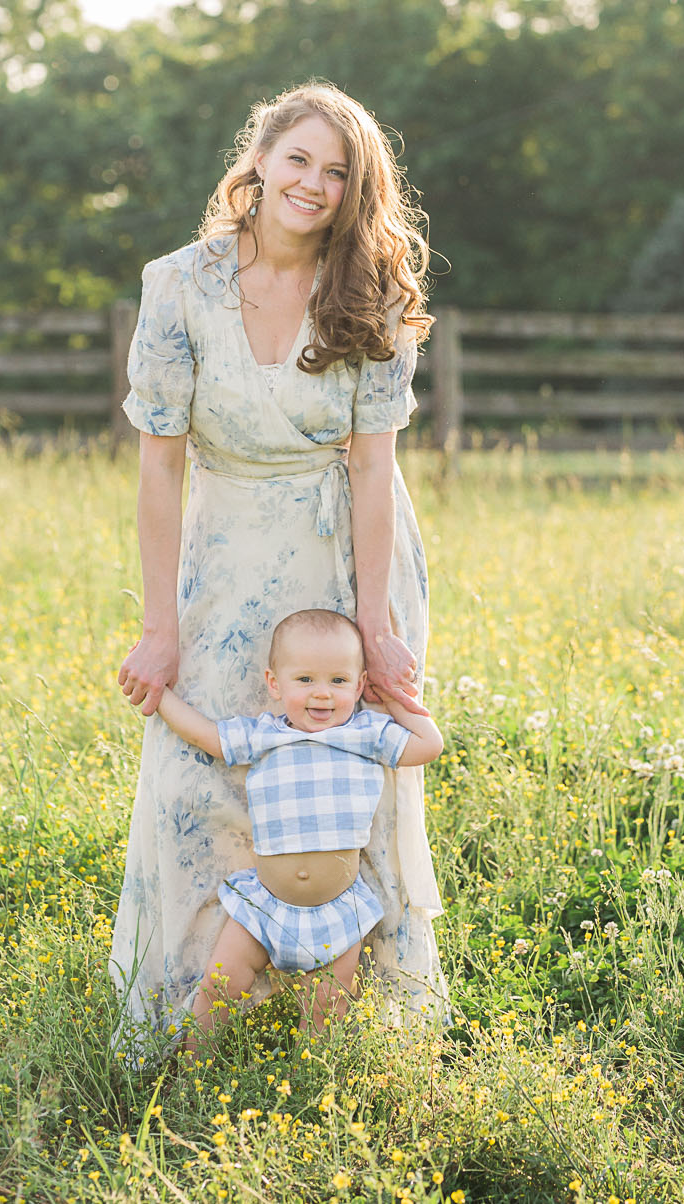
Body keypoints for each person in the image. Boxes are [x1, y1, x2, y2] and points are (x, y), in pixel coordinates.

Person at [110, 80, 447, 1055]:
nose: (313, 183)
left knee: (346, 771)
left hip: (346, 553)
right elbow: (158, 465)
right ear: (255, 158)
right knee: (200, 774)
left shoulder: (368, 290)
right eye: (296, 158)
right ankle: (197, 1013)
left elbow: (372, 465)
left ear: (354, 193)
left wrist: (375, 622)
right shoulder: (176, 284)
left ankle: (354, 1020)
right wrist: (159, 621)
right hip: (221, 559)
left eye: (336, 172)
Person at [141, 610, 443, 1051]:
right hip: (263, 906)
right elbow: (207, 735)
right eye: (305, 680)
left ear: (359, 686)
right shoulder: (264, 735)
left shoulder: (365, 733)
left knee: (328, 1010)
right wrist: (158, 695)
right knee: (218, 986)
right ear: (274, 684)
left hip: (338, 911)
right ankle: (191, 1076)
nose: (322, 694)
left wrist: (393, 697)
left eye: (339, 681)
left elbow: (429, 745)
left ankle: (311, 1085)